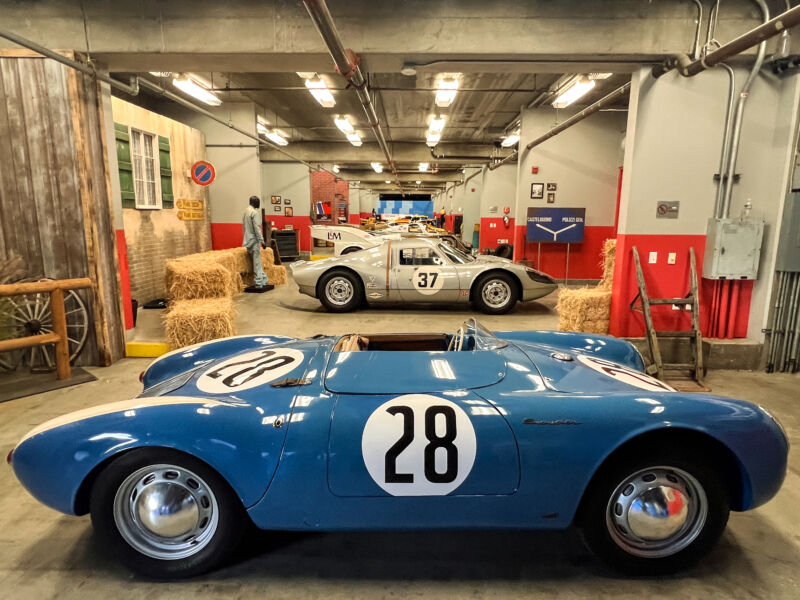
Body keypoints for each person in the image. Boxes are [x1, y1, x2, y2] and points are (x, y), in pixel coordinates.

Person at [242, 196, 274, 292]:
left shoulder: (245, 212)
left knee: (257, 263)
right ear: (255, 202)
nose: (259, 204)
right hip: (254, 240)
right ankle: (259, 282)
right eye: (258, 202)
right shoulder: (254, 213)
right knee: (256, 263)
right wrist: (262, 241)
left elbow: (243, 227)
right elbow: (257, 228)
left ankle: (264, 280)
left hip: (247, 240)